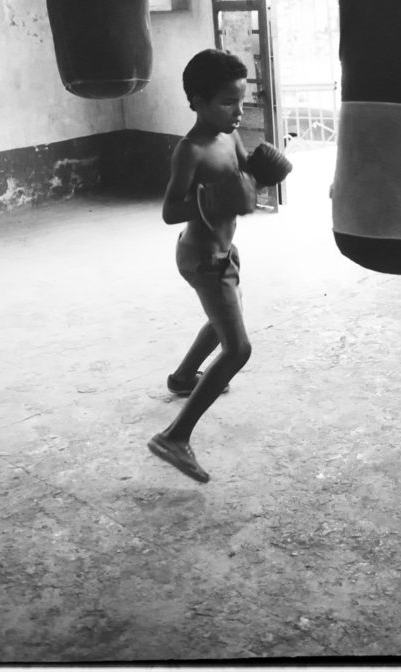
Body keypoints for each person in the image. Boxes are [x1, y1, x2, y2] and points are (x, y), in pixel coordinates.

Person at [148, 48, 257, 483]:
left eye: (242, 100)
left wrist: (263, 171)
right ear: (197, 101)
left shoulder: (231, 137)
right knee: (238, 348)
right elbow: (170, 210)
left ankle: (181, 377)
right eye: (228, 102)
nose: (238, 111)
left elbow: (245, 174)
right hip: (200, 256)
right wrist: (210, 198)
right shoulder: (190, 150)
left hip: (223, 253)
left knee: (221, 322)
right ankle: (174, 437)